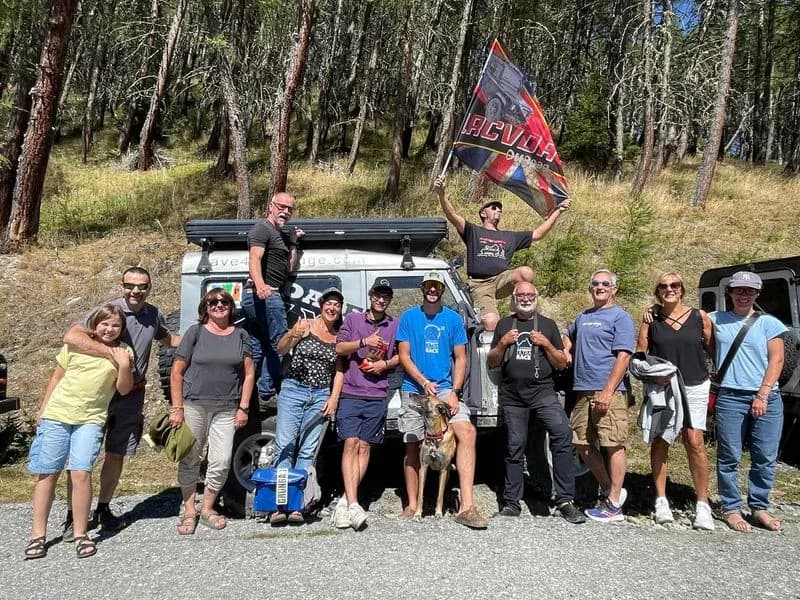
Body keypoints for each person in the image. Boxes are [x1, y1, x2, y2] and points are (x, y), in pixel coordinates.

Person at [62, 267, 179, 536]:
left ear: (150, 287)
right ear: (122, 285)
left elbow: (168, 339)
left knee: (116, 454)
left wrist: (201, 340)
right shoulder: (107, 312)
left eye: (142, 286)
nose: (136, 291)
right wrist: (113, 354)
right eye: (130, 285)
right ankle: (73, 515)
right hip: (98, 392)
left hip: (132, 395)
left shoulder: (153, 314)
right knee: (83, 457)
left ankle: (103, 508)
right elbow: (72, 336)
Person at [26, 305, 133, 559]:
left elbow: (124, 389)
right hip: (58, 415)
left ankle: (80, 533)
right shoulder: (77, 345)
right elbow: (56, 378)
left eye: (115, 325)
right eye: (104, 324)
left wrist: (124, 365)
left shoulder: (123, 352)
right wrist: (43, 410)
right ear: (95, 325)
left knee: (81, 473)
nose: (109, 329)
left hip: (91, 419)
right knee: (48, 474)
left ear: (122, 329)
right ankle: (37, 535)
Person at [396, 271, 488, 529]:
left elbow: (461, 358)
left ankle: (467, 506)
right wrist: (423, 382)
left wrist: (455, 392)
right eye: (429, 285)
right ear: (423, 288)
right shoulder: (409, 317)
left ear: (442, 289)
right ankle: (413, 504)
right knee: (413, 443)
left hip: (446, 390)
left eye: (437, 285)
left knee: (467, 432)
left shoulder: (452, 319)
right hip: (414, 388)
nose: (433, 290)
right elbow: (404, 355)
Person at [488, 282, 585, 524]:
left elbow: (562, 363)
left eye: (530, 294)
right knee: (514, 445)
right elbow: (491, 362)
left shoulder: (548, 325)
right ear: (514, 298)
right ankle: (511, 502)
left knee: (562, 433)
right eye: (521, 294)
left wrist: (546, 344)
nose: (526, 298)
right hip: (513, 396)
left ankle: (564, 499)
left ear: (536, 298)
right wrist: (502, 343)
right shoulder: (504, 324)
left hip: (543, 392)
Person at [433, 175, 569, 331]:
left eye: (499, 209)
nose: (498, 210)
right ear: (483, 214)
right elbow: (452, 215)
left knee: (525, 273)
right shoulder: (473, 231)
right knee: (491, 322)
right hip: (480, 284)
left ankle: (518, 316)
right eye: (493, 208)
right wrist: (442, 194)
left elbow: (538, 234)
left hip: (501, 280)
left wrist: (558, 212)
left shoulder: (509, 236)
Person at [169, 288, 254, 534]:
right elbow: (176, 371)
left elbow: (249, 373)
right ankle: (188, 509)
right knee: (190, 458)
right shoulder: (195, 332)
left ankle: (207, 507)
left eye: (224, 301)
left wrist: (243, 407)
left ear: (231, 306)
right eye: (212, 301)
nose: (219, 304)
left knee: (221, 461)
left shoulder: (240, 334)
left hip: (227, 408)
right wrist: (177, 407)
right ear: (205, 308)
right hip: (194, 404)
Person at [635, 272, 715, 530]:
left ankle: (702, 504)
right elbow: (641, 352)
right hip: (664, 386)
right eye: (663, 286)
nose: (669, 289)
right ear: (657, 291)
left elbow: (712, 348)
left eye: (674, 285)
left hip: (694, 383)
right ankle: (661, 500)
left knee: (694, 440)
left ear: (682, 290)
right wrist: (651, 377)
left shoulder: (699, 316)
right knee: (661, 440)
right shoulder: (651, 318)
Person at [709, 271, 786, 533]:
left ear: (757, 294)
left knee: (764, 456)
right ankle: (730, 507)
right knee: (729, 455)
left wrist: (762, 394)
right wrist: (652, 312)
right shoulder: (714, 319)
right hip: (730, 395)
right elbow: (684, 322)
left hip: (767, 397)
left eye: (749, 291)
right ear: (729, 292)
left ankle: (759, 506)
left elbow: (777, 360)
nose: (744, 295)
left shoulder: (769, 324)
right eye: (739, 290)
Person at [564, 269, 635, 523]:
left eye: (606, 283)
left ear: (614, 289)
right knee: (580, 442)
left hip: (609, 391)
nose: (600, 287)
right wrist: (567, 347)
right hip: (582, 390)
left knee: (613, 443)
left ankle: (614, 505)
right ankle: (610, 490)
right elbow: (567, 334)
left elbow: (624, 356)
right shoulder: (583, 316)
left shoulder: (621, 317)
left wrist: (608, 390)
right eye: (595, 283)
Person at [269, 287, 345, 526]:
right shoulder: (305, 325)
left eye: (337, 305)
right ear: (321, 305)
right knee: (285, 445)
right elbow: (280, 349)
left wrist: (333, 398)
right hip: (293, 390)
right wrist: (294, 333)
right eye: (329, 303)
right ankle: (279, 505)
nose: (332, 308)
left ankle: (298, 504)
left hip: (321, 395)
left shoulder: (338, 336)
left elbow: (339, 371)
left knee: (308, 451)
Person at [332, 279, 400, 530]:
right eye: (378, 295)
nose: (381, 300)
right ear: (370, 296)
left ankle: (345, 502)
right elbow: (339, 348)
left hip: (377, 392)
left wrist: (384, 364)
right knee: (350, 443)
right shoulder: (353, 320)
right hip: (351, 390)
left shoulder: (395, 324)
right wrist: (364, 342)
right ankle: (353, 502)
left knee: (364, 447)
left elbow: (400, 355)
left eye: (386, 296)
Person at [243, 193, 304, 405]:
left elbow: (289, 267)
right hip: (266, 295)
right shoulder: (262, 229)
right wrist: (260, 285)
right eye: (282, 206)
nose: (285, 211)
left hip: (266, 296)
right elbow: (254, 258)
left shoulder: (280, 236)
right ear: (271, 206)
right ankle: (266, 393)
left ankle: (247, 389)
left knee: (258, 346)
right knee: (280, 344)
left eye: (290, 209)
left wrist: (294, 243)